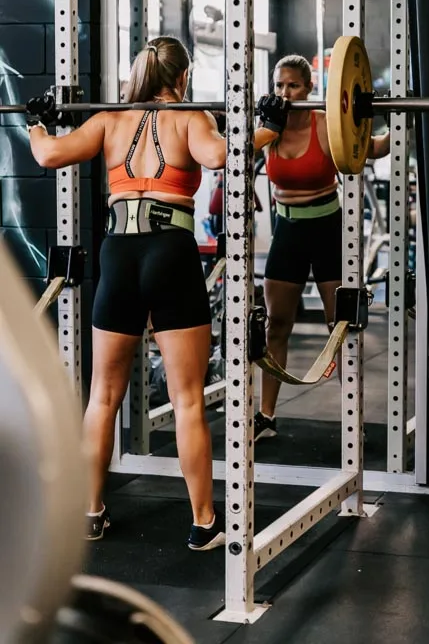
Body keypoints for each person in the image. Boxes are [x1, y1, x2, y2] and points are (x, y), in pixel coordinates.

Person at [25, 36, 284, 550]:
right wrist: (269, 128)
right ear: (182, 77)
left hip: (118, 254)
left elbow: (49, 153)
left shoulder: (108, 120)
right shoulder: (189, 117)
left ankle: (90, 513)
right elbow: (221, 156)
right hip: (169, 253)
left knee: (102, 396)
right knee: (187, 400)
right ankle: (204, 523)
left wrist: (38, 121)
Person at [254, 54, 390, 442]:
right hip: (288, 231)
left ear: (310, 88)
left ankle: (353, 419)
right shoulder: (268, 129)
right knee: (277, 325)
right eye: (279, 85)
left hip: (329, 230)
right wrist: (263, 127)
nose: (285, 93)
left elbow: (371, 148)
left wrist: (402, 121)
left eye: (293, 85)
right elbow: (232, 155)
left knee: (340, 328)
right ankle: (266, 416)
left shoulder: (325, 124)